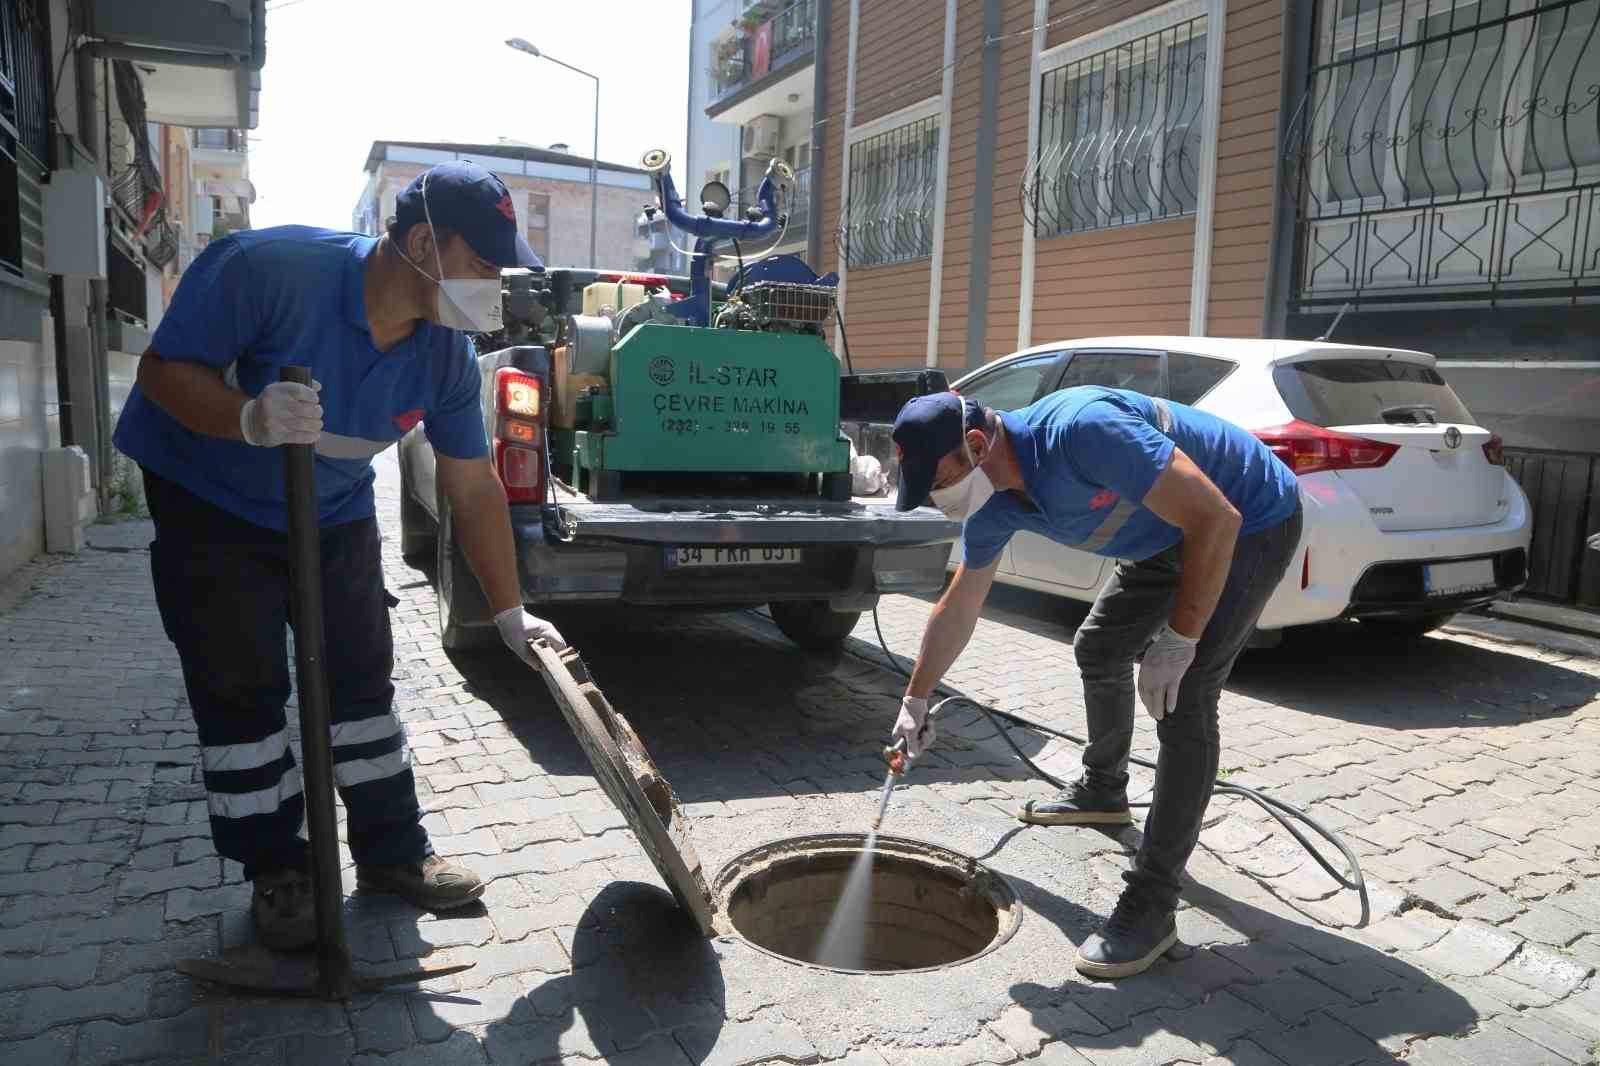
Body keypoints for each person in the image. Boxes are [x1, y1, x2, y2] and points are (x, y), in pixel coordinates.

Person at [113, 161, 568, 951]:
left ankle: (394, 852)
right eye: (485, 264)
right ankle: (278, 872)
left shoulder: (445, 358)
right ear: (424, 241)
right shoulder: (268, 271)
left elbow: (474, 487)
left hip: (332, 503)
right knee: (243, 689)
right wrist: (248, 418)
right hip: (208, 498)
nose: (493, 286)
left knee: (360, 674)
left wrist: (509, 610)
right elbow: (161, 371)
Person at [888, 387, 1302, 979]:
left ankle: (1153, 904)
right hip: (1166, 535)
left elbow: (1216, 517)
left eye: (937, 481)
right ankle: (1104, 790)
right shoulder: (994, 501)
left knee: (1183, 697)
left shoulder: (1085, 431)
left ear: (976, 446)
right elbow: (961, 603)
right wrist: (915, 697)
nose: (936, 497)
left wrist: (1180, 640)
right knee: (1101, 647)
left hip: (1246, 519)